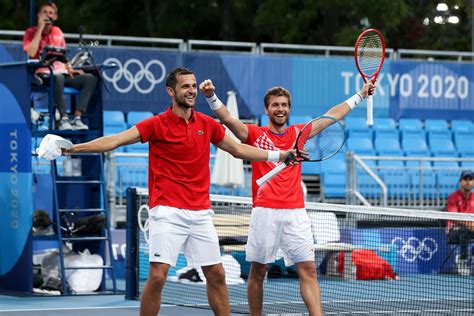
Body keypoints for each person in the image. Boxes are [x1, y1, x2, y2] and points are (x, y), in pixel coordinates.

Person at [61, 67, 294, 316]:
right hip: (167, 211)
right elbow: (115, 140)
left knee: (216, 274)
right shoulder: (155, 124)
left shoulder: (207, 124)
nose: (192, 91)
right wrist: (74, 149)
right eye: (186, 86)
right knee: (159, 275)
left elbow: (239, 150)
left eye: (194, 86)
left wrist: (279, 155)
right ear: (171, 91)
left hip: (201, 212)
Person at [200, 79, 375, 316]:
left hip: (296, 213)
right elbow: (229, 120)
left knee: (309, 270)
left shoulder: (298, 134)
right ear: (266, 109)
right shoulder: (254, 134)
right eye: (275, 105)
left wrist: (361, 95)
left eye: (284, 104)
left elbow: (331, 115)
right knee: (258, 272)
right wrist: (211, 96)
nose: (280, 109)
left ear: (289, 108)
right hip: (265, 212)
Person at [23, 2, 97, 131]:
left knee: (89, 78)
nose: (48, 15)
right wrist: (40, 29)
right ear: (39, 15)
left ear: (55, 17)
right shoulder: (31, 32)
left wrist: (70, 68)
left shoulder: (58, 32)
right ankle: (63, 118)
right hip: (42, 74)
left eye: (50, 13)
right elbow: (30, 52)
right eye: (44, 12)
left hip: (62, 72)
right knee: (58, 78)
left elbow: (63, 55)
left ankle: (77, 118)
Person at [446, 170, 474, 275]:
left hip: (472, 229)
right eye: (465, 179)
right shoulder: (453, 197)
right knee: (464, 231)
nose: (468, 182)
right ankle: (462, 260)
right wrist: (470, 225)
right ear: (460, 181)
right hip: (454, 232)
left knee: (467, 231)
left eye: (470, 179)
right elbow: (454, 218)